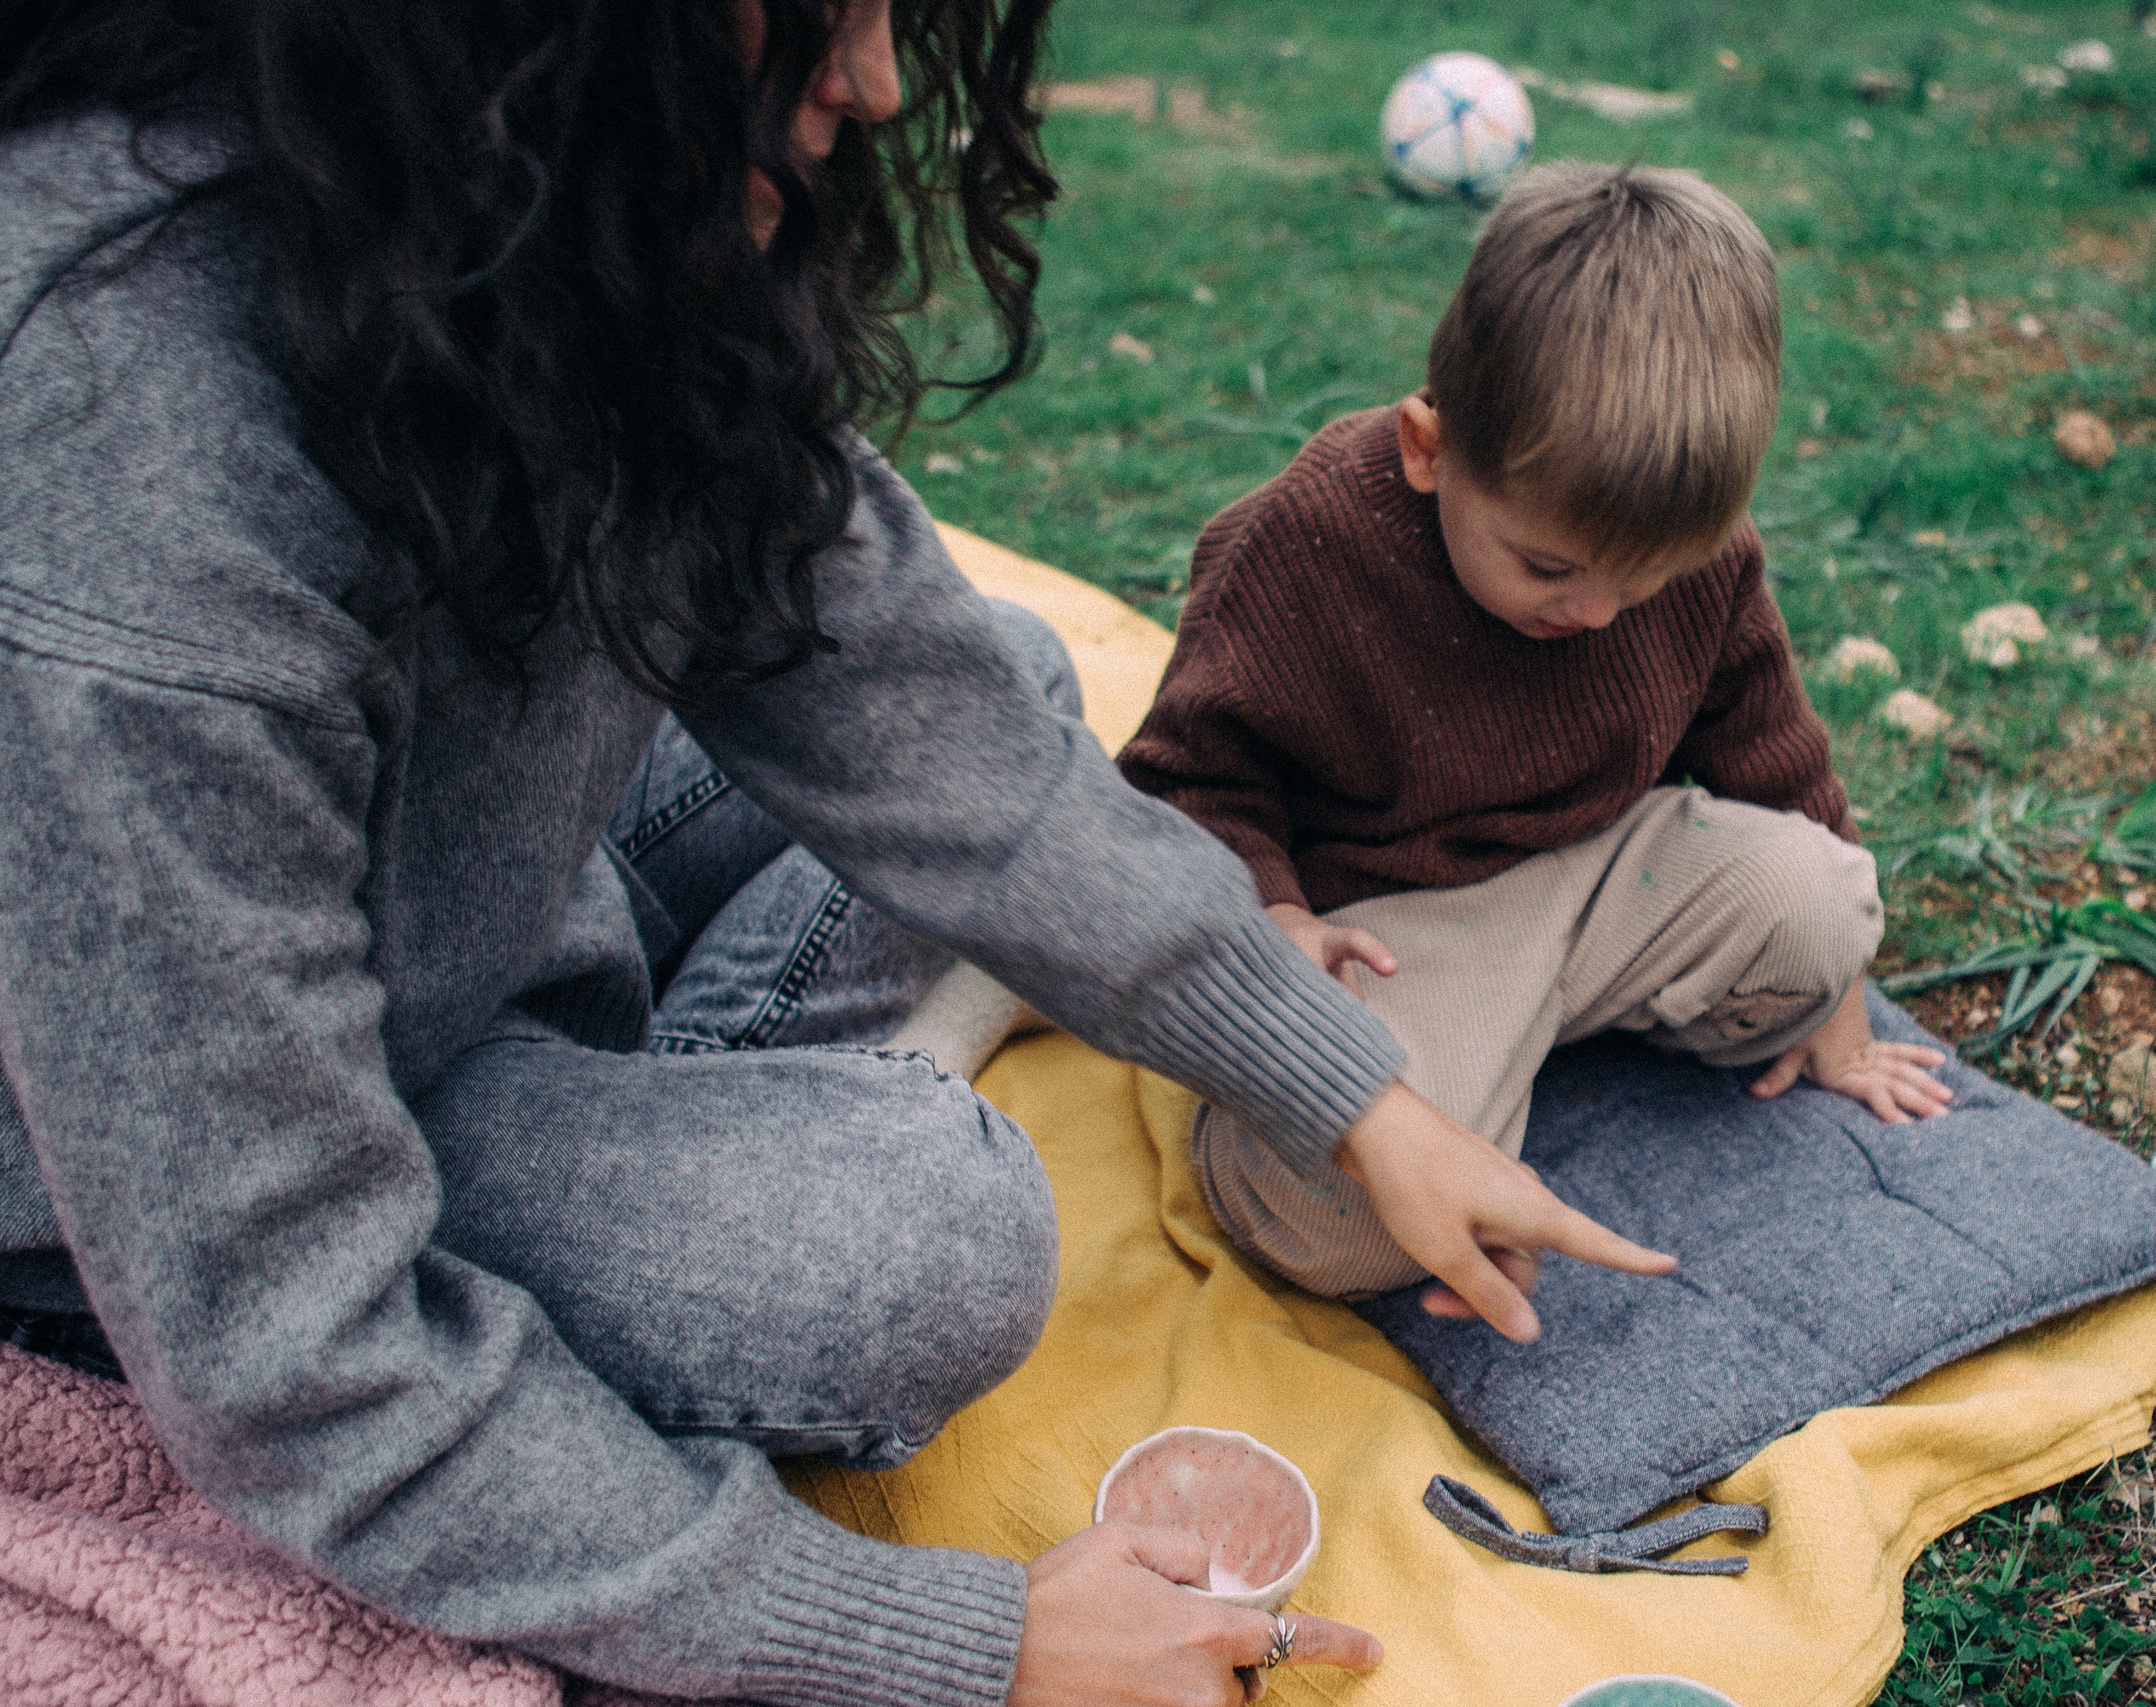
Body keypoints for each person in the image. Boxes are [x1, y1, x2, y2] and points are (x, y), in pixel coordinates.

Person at [0, 5, 1679, 1704]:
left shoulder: (507, 198)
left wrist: (1351, 1092)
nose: (874, 82)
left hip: (471, 905)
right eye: (821, 12)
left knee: (1012, 669)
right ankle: (675, 1179)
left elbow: (889, 673)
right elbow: (295, 1349)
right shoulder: (134, 466)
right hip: (175, 1177)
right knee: (926, 1244)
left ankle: (653, 1150)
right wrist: (973, 1638)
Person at [1118, 163, 1956, 1308]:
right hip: (1393, 931)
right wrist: (1276, 920)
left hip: (1607, 870)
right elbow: (1183, 782)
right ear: (1428, 446)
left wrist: (1839, 1015)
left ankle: (1518, 1056)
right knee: (1338, 1220)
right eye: (1549, 568)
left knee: (1826, 906)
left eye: (1644, 579)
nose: (1598, 615)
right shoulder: (1307, 544)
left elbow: (1768, 739)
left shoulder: (1685, 546)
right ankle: (1412, 1088)